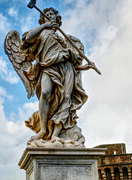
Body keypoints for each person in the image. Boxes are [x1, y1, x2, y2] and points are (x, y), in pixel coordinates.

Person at [21, 7, 89, 141]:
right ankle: (43, 130)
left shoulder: (63, 39)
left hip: (67, 68)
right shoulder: (41, 33)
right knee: (45, 93)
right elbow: (27, 38)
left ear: (57, 19)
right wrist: (44, 26)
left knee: (66, 98)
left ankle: (55, 135)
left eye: (52, 14)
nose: (50, 16)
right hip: (48, 66)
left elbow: (73, 60)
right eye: (47, 14)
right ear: (43, 18)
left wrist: (84, 67)